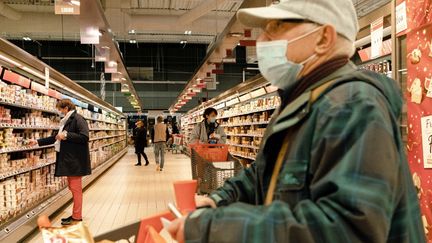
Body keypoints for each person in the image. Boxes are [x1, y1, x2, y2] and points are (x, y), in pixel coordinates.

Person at [167, 0, 425, 242]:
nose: (262, 40)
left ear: (324, 38)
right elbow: (263, 174)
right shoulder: (301, 104)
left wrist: (216, 228)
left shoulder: (351, 106)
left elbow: (347, 229)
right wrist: (218, 200)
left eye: (277, 27)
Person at [29, 99, 90, 226]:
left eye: (61, 109)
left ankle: (77, 217)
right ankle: (75, 215)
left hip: (75, 161)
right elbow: (56, 137)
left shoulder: (78, 119)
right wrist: (38, 142)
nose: (60, 112)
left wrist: (67, 135)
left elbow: (85, 137)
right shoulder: (66, 121)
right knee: (73, 188)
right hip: (69, 160)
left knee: (76, 189)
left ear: (66, 108)